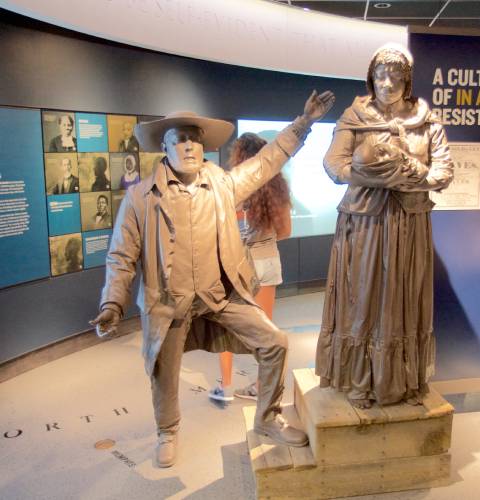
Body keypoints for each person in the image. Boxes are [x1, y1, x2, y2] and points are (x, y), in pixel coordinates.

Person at [90, 90, 335, 468]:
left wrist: (303, 124)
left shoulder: (223, 184)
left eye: (194, 138)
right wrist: (112, 302)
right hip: (169, 303)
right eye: (179, 139)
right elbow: (121, 255)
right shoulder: (141, 198)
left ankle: (267, 416)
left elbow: (268, 161)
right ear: (165, 147)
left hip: (222, 296)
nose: (189, 145)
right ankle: (167, 431)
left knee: (275, 343)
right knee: (164, 370)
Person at [315, 43, 453, 409]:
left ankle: (404, 382)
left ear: (407, 82)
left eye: (395, 76)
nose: (386, 83)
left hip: (409, 225)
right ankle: (359, 380)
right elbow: (333, 164)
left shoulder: (427, 121)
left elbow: (443, 173)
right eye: (380, 75)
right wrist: (368, 175)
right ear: (370, 78)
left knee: (405, 298)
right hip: (364, 224)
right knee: (363, 299)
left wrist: (409, 172)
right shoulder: (355, 116)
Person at [208, 133, 292, 403]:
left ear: (238, 157)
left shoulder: (232, 186)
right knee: (264, 331)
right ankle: (260, 387)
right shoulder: (277, 187)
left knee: (227, 328)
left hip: (238, 265)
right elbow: (285, 232)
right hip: (268, 260)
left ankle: (227, 387)